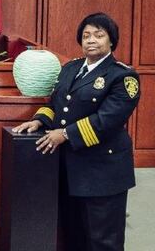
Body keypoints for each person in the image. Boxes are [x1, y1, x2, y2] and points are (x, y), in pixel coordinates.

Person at [13, 13, 140, 251]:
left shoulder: (123, 76)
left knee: (103, 241)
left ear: (111, 41)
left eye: (99, 35)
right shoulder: (71, 68)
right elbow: (56, 103)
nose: (91, 40)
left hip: (103, 172)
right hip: (70, 171)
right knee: (75, 238)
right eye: (86, 35)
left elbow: (107, 120)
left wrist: (65, 134)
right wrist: (40, 120)